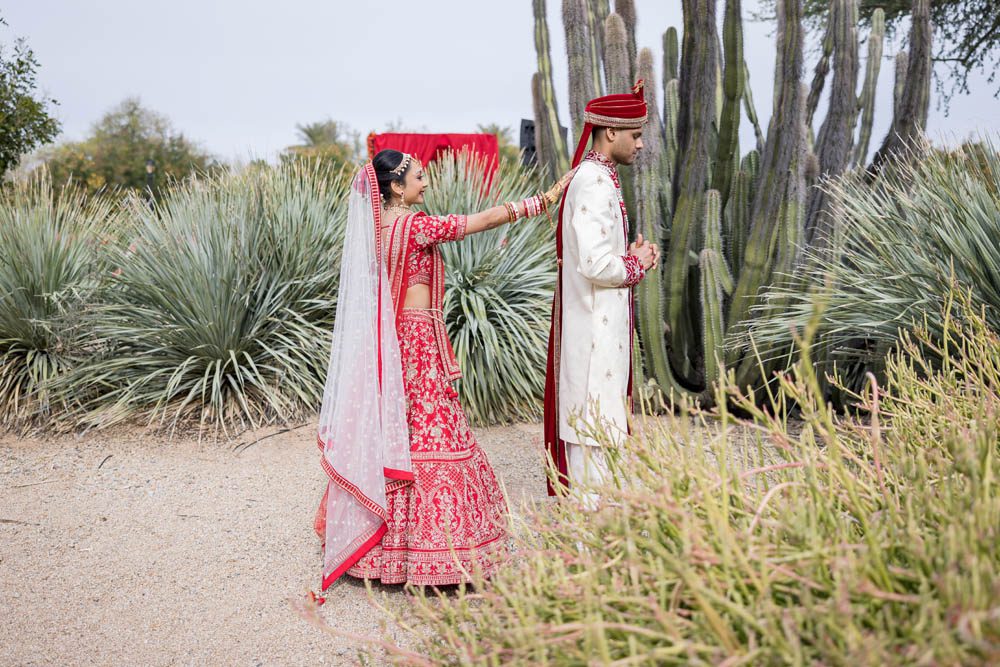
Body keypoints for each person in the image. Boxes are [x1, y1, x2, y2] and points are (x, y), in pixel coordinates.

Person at [314, 150, 572, 589]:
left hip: (393, 338)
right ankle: (439, 550)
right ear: (396, 186)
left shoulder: (376, 229)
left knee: (401, 430)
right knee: (433, 431)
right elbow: (484, 220)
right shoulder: (413, 226)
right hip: (416, 341)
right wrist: (542, 201)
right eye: (419, 176)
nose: (425, 182)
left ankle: (382, 550)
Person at [543, 81, 659, 497]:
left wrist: (627, 255)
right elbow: (593, 264)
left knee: (602, 444)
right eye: (636, 135)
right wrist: (636, 263)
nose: (641, 145)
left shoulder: (599, 177)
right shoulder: (593, 181)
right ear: (611, 132)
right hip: (593, 339)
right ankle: (589, 550)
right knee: (594, 457)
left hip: (600, 334)